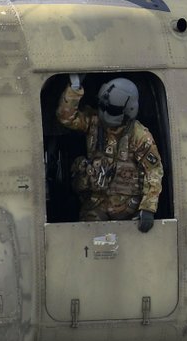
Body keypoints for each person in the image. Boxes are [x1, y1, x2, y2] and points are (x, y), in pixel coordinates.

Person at [57, 75, 163, 231]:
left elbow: (153, 170)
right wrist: (74, 89)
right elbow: (66, 118)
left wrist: (148, 208)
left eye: (112, 110)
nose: (106, 114)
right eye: (103, 107)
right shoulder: (94, 122)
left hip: (127, 209)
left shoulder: (139, 136)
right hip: (95, 204)